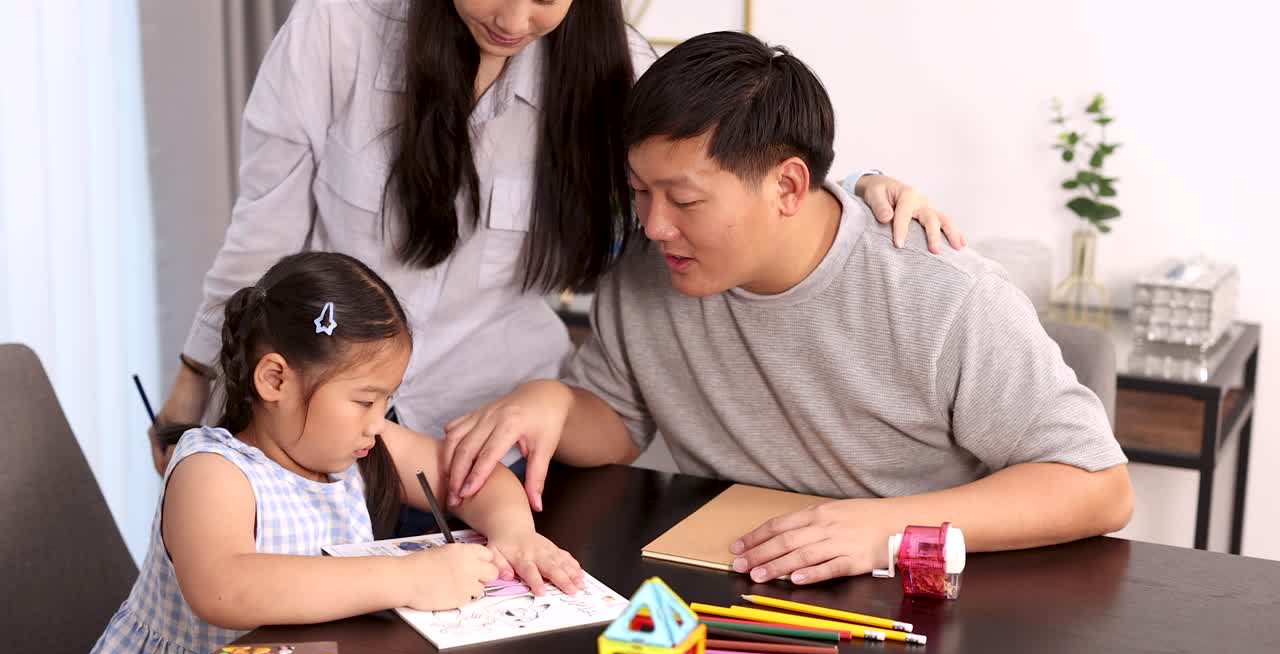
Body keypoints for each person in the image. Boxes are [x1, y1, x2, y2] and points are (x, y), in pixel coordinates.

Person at [150, 0, 965, 503]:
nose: (513, 18)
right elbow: (261, 233)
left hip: (495, 445)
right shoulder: (339, 29)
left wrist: (863, 183)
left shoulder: (610, 66)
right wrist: (193, 386)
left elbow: (739, 162)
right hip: (327, 433)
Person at [440, 31, 1133, 585]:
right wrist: (553, 404)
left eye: (683, 200)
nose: (653, 225)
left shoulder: (942, 293)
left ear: (788, 187)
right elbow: (620, 419)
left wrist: (884, 529)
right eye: (640, 192)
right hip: (738, 585)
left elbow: (1097, 486)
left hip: (916, 600)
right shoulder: (650, 272)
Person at [63, 252, 581, 654]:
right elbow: (225, 588)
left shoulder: (361, 444)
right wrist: (406, 577)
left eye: (386, 401)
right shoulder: (212, 470)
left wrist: (515, 531)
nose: (379, 421)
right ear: (275, 381)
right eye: (364, 401)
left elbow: (472, 473)